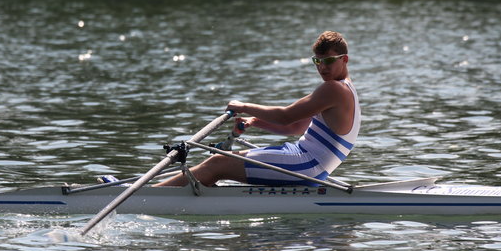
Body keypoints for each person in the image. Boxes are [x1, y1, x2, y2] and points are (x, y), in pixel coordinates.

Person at [154, 30, 360, 187]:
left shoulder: (333, 89)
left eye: (329, 61)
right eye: (318, 61)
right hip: (307, 161)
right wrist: (256, 122)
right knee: (217, 162)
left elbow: (285, 116)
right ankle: (178, 192)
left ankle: (150, 195)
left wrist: (244, 107)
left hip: (307, 164)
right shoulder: (343, 89)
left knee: (217, 162)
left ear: (345, 59)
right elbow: (295, 127)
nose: (322, 67)